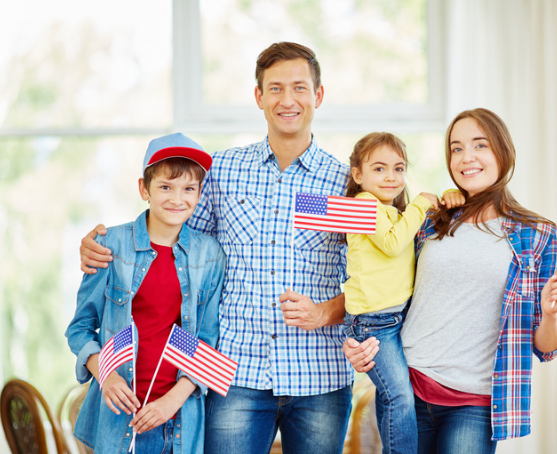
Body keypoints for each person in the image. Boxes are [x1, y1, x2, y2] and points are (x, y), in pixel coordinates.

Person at [79, 42, 352, 453]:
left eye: (299, 87)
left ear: (319, 95)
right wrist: (105, 247)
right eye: (275, 88)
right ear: (259, 97)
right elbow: (174, 240)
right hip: (235, 376)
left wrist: (323, 312)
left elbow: (372, 280)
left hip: (320, 379)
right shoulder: (222, 170)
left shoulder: (345, 184)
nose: (288, 99)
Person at [344, 108, 557, 454]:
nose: (467, 157)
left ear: (502, 152)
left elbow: (547, 346)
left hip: (475, 403)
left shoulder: (538, 234)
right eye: (456, 148)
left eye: (479, 145)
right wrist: (356, 337)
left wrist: (550, 315)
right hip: (410, 387)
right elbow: (378, 283)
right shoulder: (428, 222)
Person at [65, 133, 226, 454]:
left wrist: (173, 400)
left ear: (199, 194)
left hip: (180, 418)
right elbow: (80, 329)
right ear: (144, 189)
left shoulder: (210, 255)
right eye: (166, 186)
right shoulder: (110, 245)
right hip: (118, 418)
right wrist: (107, 375)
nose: (177, 198)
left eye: (189, 189)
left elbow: (208, 338)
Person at [343, 132, 463, 453]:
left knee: (390, 397)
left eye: (398, 169)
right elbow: (394, 243)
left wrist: (447, 195)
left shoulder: (392, 211)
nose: (391, 177)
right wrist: (422, 203)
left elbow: (409, 230)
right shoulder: (363, 204)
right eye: (379, 169)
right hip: (373, 323)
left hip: (395, 320)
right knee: (399, 397)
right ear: (358, 175)